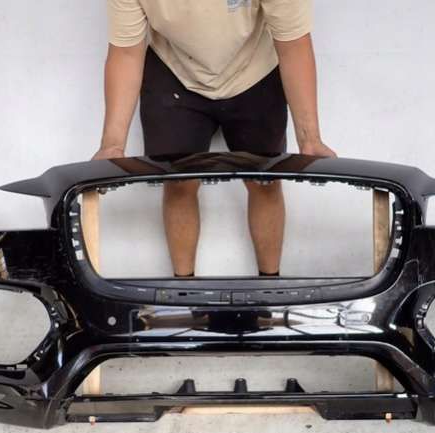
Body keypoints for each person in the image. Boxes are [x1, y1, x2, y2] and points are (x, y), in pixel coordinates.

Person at [93, 0, 335, 277]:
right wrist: (112, 145)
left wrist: (310, 138)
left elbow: (293, 45)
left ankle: (269, 286)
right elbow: (126, 53)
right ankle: (183, 289)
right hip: (175, 71)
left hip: (254, 72)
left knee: (265, 180)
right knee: (179, 182)